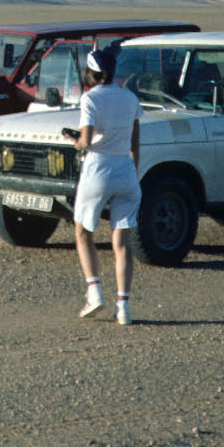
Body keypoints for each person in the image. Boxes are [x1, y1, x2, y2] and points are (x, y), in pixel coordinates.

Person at [72, 48, 143, 325]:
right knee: (122, 243)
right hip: (125, 170)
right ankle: (123, 307)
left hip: (98, 169)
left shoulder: (89, 98)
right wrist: (132, 171)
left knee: (83, 232)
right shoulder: (130, 98)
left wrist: (74, 141)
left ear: (92, 74)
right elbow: (135, 142)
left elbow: (86, 140)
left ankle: (94, 292)